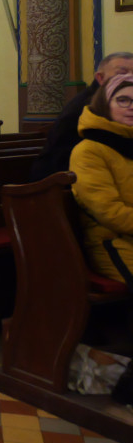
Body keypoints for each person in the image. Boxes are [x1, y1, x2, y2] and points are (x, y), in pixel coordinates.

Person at [70, 73, 133, 406]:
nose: (131, 108)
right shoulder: (90, 150)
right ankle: (128, 387)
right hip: (113, 244)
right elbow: (108, 211)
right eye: (123, 100)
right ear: (104, 104)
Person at [31, 52, 133, 181]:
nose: (129, 78)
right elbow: (115, 143)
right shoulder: (91, 106)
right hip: (57, 184)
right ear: (100, 78)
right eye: (121, 73)